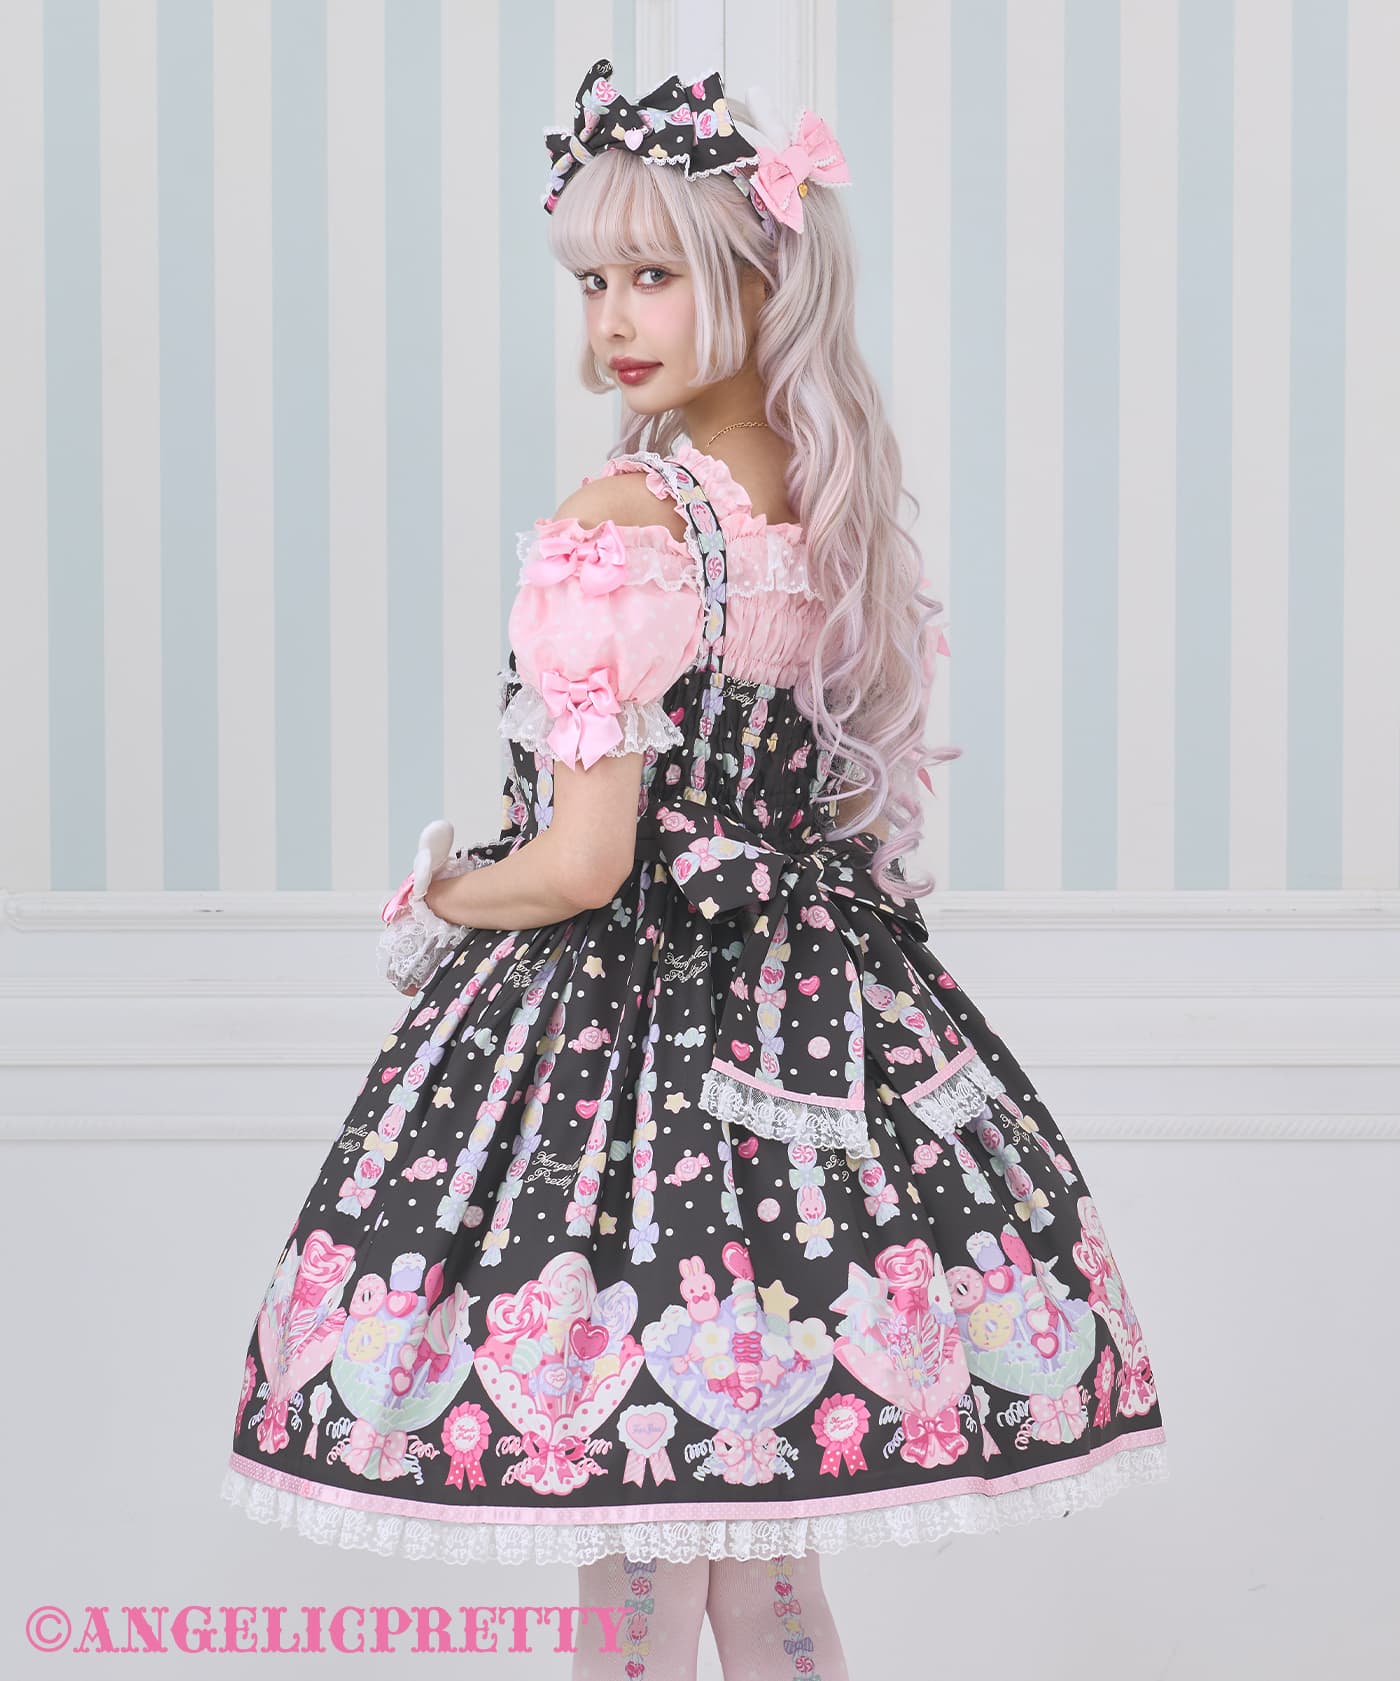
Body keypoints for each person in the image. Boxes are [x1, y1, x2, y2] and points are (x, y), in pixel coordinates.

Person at [220, 58, 1169, 1679]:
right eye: (593, 281)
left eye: (652, 274)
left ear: (759, 277)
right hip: (818, 1045)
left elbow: (586, 864)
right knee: (763, 1533)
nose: (613, 319)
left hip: (629, 1078)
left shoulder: (624, 523)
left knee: (644, 1520)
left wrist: (441, 893)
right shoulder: (826, 507)